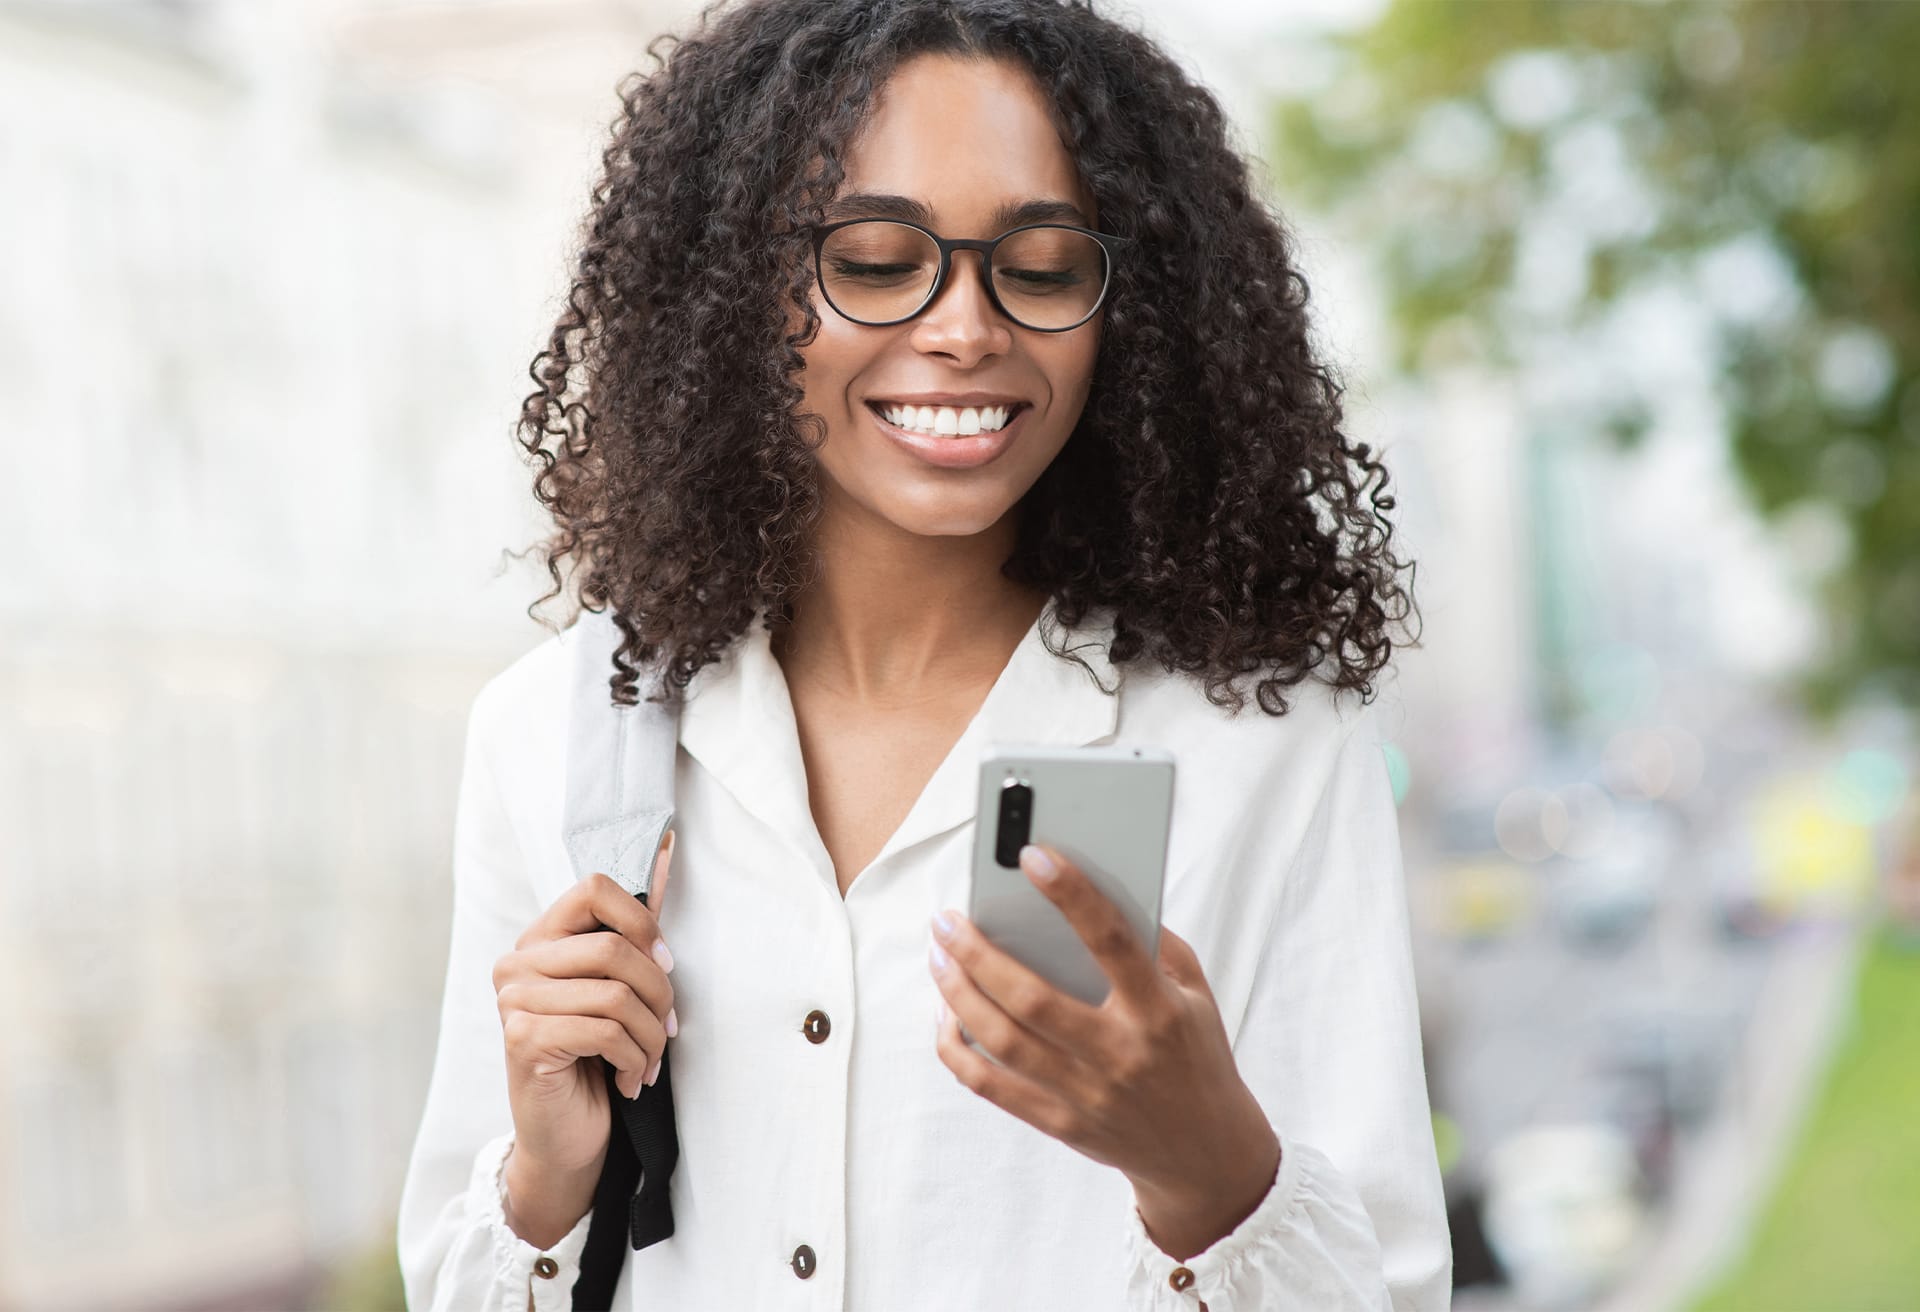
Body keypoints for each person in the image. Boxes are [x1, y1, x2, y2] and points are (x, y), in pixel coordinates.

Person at [397, 0, 1450, 1308]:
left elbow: (1387, 1286)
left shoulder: (1264, 740)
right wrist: (549, 1182)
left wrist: (1210, 1174)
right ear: (733, 292)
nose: (964, 328)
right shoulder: (554, 736)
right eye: (879, 260)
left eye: (1046, 266)